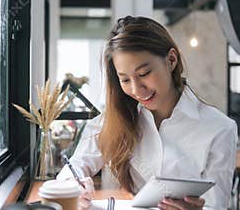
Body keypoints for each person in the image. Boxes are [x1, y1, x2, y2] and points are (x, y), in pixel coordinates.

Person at [56, 15, 238, 210]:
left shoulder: (220, 128)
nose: (136, 90)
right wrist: (74, 186)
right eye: (125, 80)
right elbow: (74, 167)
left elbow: (216, 206)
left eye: (144, 74)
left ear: (171, 60)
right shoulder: (115, 119)